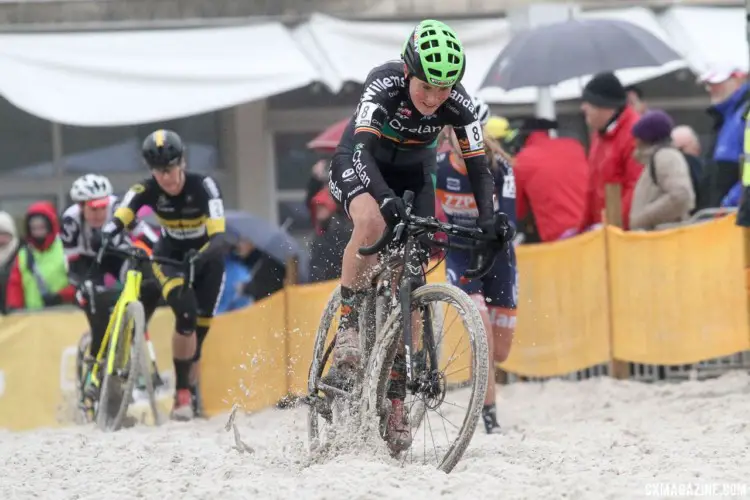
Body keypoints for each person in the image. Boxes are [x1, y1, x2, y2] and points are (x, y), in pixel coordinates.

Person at [324, 19, 511, 452]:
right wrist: (386, 199)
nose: (433, 99)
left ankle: (395, 398)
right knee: (372, 222)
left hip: (415, 172)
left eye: (444, 89)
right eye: (426, 86)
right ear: (409, 72)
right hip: (359, 161)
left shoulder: (457, 103)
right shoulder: (384, 83)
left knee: (412, 275)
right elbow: (363, 151)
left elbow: (480, 167)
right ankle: (350, 325)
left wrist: (489, 222)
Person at [101, 129, 230, 421]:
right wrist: (109, 233)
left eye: (170, 169)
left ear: (181, 163)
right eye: (159, 172)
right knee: (185, 316)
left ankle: (192, 393)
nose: (166, 178)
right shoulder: (146, 189)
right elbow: (124, 211)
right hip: (170, 256)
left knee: (199, 335)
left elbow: (219, 236)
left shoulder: (204, 185)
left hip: (207, 258)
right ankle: (181, 395)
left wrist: (202, 254)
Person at [435, 96, 517, 434]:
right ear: (447, 133)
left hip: (498, 257)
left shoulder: (499, 167)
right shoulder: (437, 167)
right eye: (456, 131)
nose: (463, 137)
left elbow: (509, 221)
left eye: (471, 131)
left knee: (500, 352)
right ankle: (489, 417)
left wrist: (495, 229)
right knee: (479, 331)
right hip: (460, 255)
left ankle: (487, 397)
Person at [60, 174, 162, 404]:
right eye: (93, 208)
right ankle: (93, 378)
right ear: (81, 206)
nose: (99, 213)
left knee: (151, 285)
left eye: (102, 207)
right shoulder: (70, 221)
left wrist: (161, 253)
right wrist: (81, 286)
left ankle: (134, 332)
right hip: (87, 262)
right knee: (98, 315)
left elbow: (145, 235)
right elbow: (72, 264)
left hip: (117, 255)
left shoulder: (119, 208)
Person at [6, 201, 76, 311]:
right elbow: (15, 284)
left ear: (51, 226)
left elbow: (79, 283)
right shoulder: (24, 254)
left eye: (41, 227)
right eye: (34, 228)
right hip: (32, 317)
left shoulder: (67, 249)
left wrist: (61, 296)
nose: (38, 232)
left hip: (64, 314)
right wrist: (13, 308)